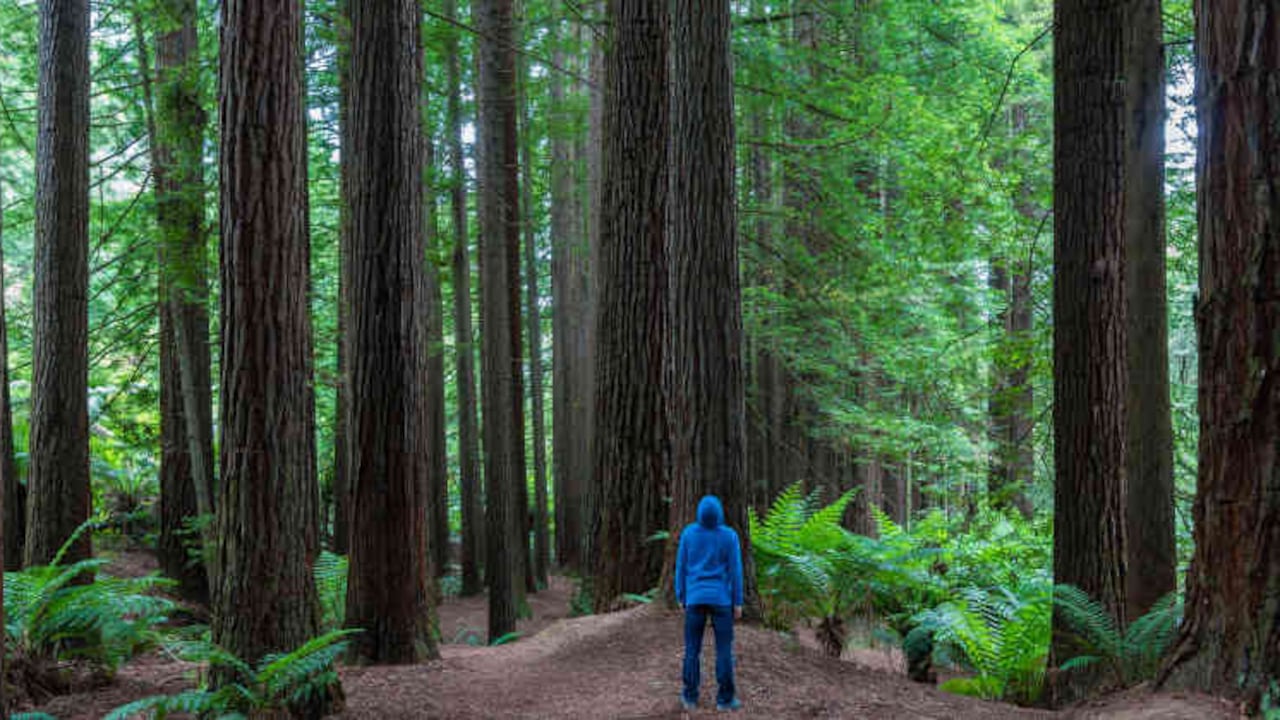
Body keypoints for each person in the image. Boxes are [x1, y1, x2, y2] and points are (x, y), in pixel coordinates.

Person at [674, 495, 743, 712]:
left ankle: (690, 697)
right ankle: (725, 699)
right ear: (720, 514)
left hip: (694, 599)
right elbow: (736, 571)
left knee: (692, 650)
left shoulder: (688, 534)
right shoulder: (729, 536)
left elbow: (681, 568)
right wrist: (738, 601)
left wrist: (680, 595)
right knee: (724, 650)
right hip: (722, 601)